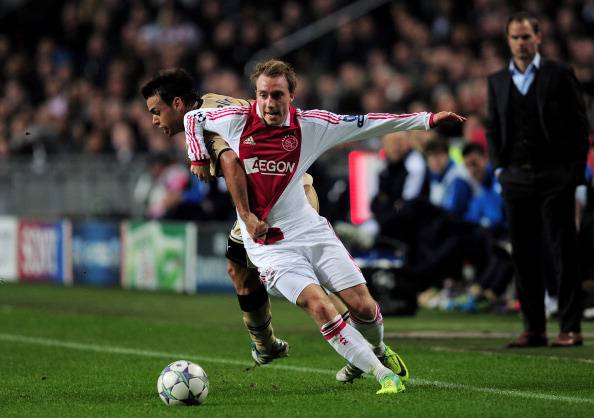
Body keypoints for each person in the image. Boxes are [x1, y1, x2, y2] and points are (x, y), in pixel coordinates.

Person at [186, 59, 464, 394]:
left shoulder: (311, 125)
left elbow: (368, 123)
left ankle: (375, 350)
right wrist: (197, 155)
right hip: (270, 247)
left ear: (291, 95)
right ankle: (383, 374)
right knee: (319, 305)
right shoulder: (236, 120)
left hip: (310, 231)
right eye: (263, 95)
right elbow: (192, 117)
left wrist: (427, 120)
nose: (270, 103)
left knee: (364, 307)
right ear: (255, 94)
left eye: (277, 95)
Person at [140, 69, 349, 366]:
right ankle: (267, 345)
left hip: (282, 198)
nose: (154, 120)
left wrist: (247, 216)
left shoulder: (206, 130)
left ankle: (358, 343)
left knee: (301, 278)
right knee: (239, 269)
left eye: (156, 111)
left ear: (177, 104)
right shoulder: (211, 101)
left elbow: (231, 162)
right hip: (289, 186)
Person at [486, 12, 590, 348]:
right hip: (515, 178)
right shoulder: (497, 80)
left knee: (563, 253)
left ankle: (570, 327)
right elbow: (494, 128)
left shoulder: (559, 73)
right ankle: (534, 328)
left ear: (539, 38)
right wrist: (500, 170)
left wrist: (575, 177)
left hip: (554, 176)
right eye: (515, 37)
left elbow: (580, 127)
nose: (521, 43)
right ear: (508, 40)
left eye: (526, 37)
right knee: (524, 255)